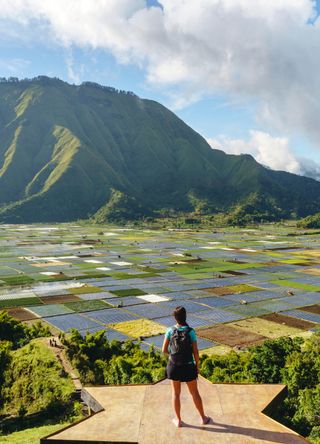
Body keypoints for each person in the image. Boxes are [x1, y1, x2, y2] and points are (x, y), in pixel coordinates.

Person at [162, 306, 210, 428]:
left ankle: (178, 420)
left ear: (175, 318)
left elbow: (164, 350)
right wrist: (197, 365)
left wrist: (173, 356)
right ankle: (203, 418)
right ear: (185, 316)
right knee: (194, 392)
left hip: (173, 366)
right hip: (188, 366)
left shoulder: (169, 331)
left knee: (176, 393)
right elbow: (196, 352)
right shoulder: (191, 332)